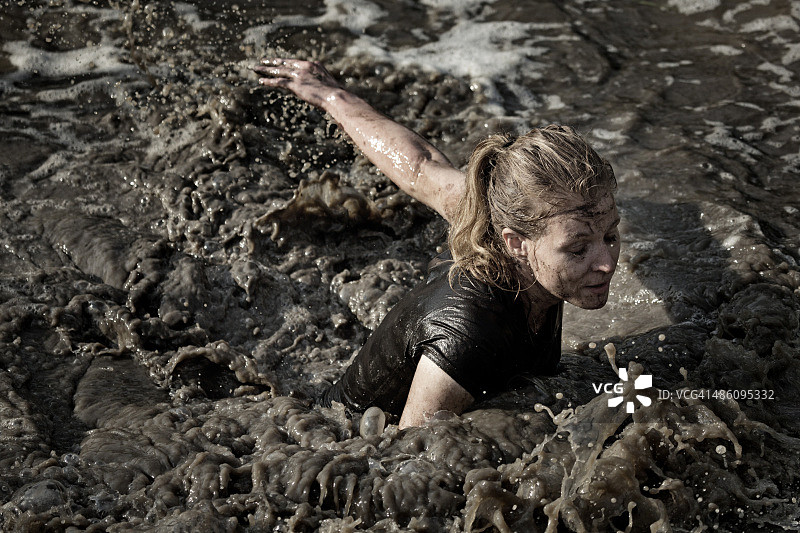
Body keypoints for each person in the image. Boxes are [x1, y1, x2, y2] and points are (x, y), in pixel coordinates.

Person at [252, 58, 620, 428]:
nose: (606, 263)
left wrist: (331, 96)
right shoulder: (470, 335)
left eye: (611, 235)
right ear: (516, 243)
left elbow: (418, 165)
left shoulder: (493, 212)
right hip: (334, 437)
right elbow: (407, 455)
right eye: (577, 249)